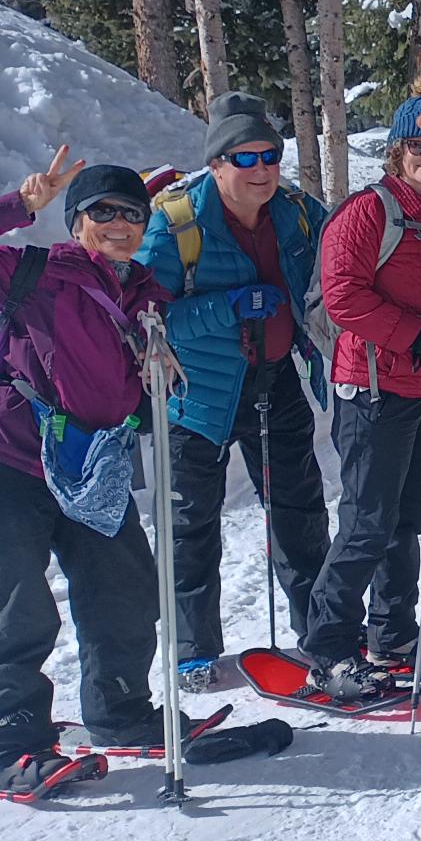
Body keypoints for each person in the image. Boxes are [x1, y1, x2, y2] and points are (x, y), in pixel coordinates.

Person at [0, 154, 175, 794]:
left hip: (95, 466)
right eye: (102, 211)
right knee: (15, 606)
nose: (119, 223)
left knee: (124, 590)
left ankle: (120, 713)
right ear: (76, 222)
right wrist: (19, 205)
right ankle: (10, 743)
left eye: (131, 212)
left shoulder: (146, 294)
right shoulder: (37, 273)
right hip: (9, 458)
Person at [301, 73, 421, 701]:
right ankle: (328, 649)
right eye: (420, 146)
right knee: (367, 523)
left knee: (406, 520)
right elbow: (344, 298)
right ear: (398, 151)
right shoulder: (368, 211)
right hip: (374, 388)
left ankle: (394, 635)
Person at [137, 91, 331, 691]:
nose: (262, 169)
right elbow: (146, 318)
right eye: (245, 158)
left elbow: (343, 255)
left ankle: (320, 633)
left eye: (270, 155)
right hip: (198, 394)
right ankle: (194, 650)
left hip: (277, 378)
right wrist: (228, 306)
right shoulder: (176, 225)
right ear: (216, 164)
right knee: (191, 522)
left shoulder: (296, 212)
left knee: (300, 510)